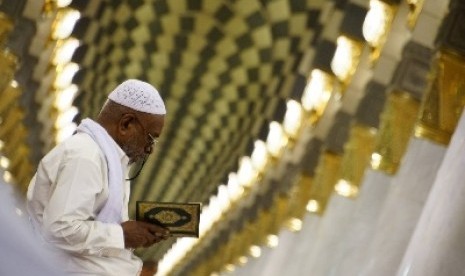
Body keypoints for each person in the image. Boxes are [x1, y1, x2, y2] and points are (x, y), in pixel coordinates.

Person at [26, 79, 171, 275]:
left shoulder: (111, 162)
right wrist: (122, 235)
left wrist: (136, 234)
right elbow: (59, 229)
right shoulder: (85, 156)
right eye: (151, 137)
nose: (150, 149)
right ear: (126, 124)